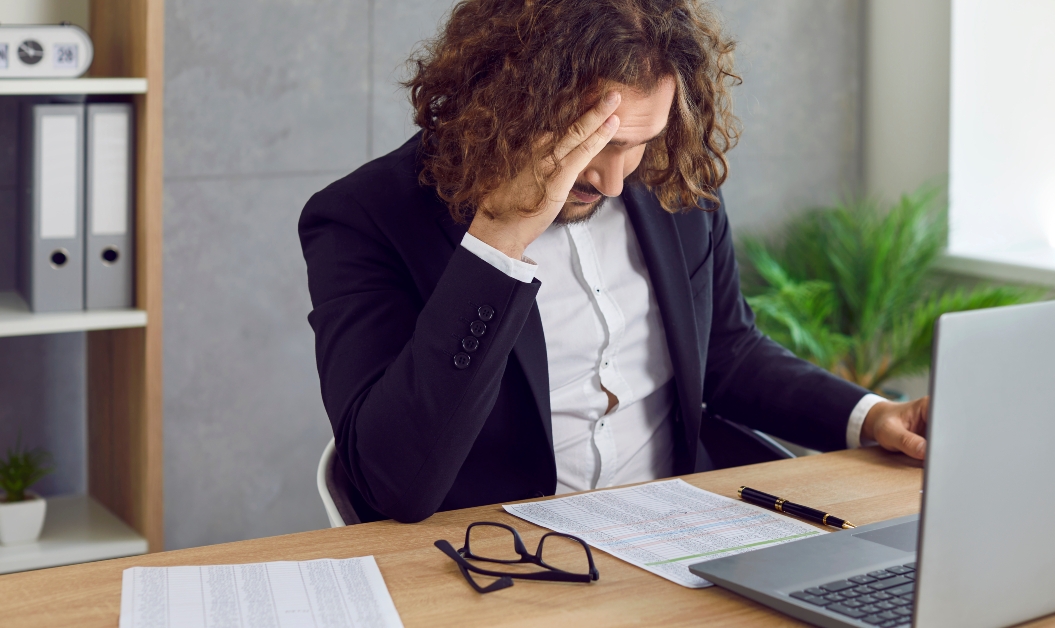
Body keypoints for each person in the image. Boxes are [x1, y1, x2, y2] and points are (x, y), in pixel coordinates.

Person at [298, 0, 929, 524]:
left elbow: (727, 354)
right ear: (506, 100)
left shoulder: (673, 181)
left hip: (682, 534)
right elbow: (393, 486)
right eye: (592, 142)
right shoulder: (362, 217)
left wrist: (872, 416)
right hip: (502, 560)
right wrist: (498, 241)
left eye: (637, 143)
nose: (614, 179)